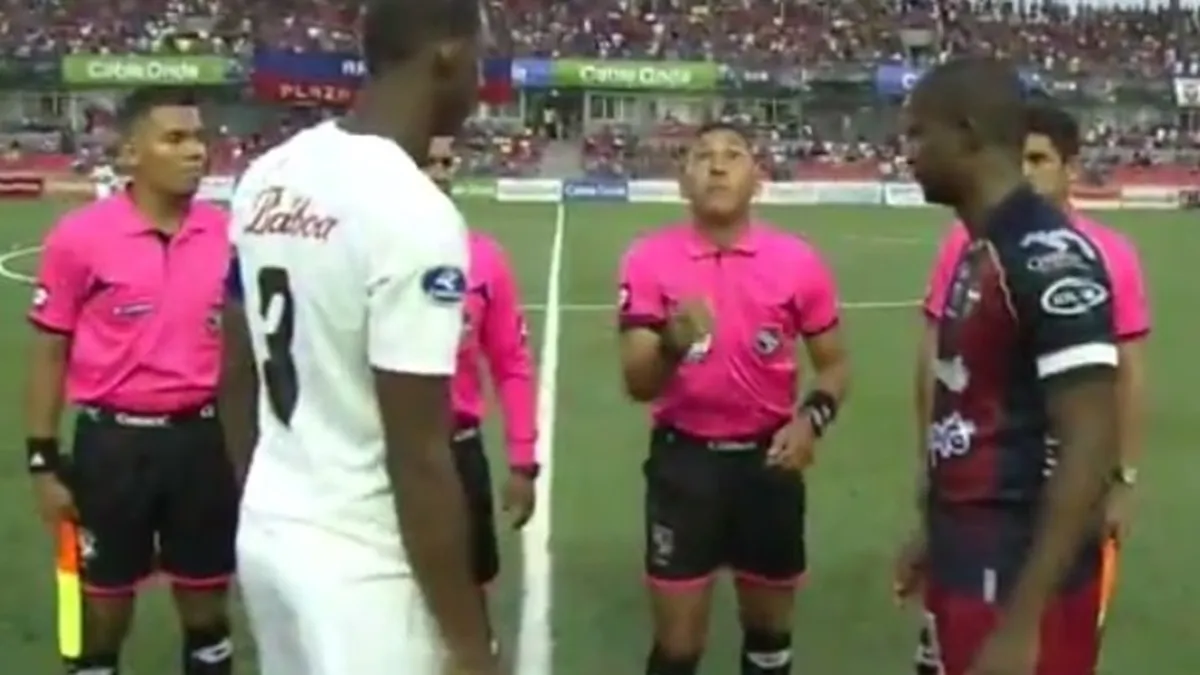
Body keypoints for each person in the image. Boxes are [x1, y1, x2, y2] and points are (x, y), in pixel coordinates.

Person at [219, 0, 499, 672]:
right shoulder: (414, 212)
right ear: (448, 55)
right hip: (362, 566)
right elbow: (420, 453)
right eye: (480, 59)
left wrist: (270, 499)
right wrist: (468, 640)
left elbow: (233, 374)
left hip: (269, 530)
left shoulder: (271, 173)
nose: (481, 81)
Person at [893, 57, 1121, 675]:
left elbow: (1090, 442)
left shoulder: (1047, 256)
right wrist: (938, 529)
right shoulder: (981, 250)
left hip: (1018, 576)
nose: (906, 153)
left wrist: (1023, 622)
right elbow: (976, 411)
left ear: (967, 134)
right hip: (970, 555)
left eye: (918, 134)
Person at [616, 121, 850, 675]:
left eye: (733, 155)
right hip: (684, 465)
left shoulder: (797, 261)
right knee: (678, 649)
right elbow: (638, 383)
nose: (718, 166)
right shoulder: (648, 260)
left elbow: (835, 364)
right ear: (683, 181)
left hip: (768, 465)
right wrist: (672, 344)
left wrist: (811, 421)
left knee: (769, 639)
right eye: (703, 156)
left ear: (758, 179)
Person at [24, 86, 236, 675]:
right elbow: (48, 352)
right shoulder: (79, 238)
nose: (196, 152)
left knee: (207, 604)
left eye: (200, 138)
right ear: (130, 154)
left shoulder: (228, 235)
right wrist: (42, 464)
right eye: (175, 139)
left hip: (204, 442)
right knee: (105, 607)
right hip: (113, 446)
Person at [425, 135, 540, 646]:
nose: (438, 173)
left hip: (457, 453)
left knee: (469, 610)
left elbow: (511, 364)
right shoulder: (357, 256)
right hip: (375, 455)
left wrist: (522, 461)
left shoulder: (484, 259)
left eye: (446, 162)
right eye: (425, 162)